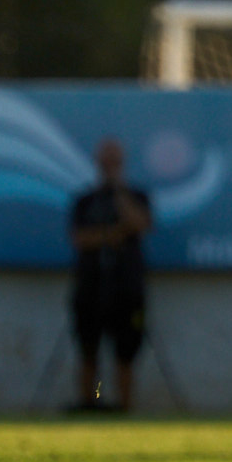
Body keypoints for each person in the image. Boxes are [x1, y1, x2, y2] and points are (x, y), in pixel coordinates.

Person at [68, 139, 152, 412]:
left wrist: (118, 192)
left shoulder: (137, 196)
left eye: (114, 161)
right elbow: (80, 238)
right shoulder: (85, 200)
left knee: (125, 353)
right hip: (90, 287)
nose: (109, 167)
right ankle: (88, 404)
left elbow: (139, 223)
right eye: (106, 161)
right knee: (88, 350)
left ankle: (124, 408)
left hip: (127, 288)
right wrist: (113, 235)